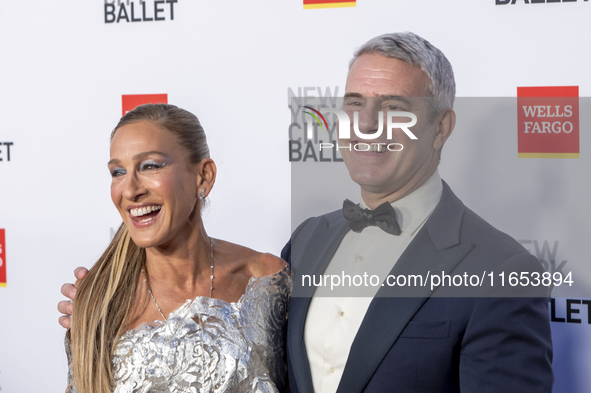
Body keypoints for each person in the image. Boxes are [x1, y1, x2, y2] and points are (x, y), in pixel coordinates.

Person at [281, 32, 553, 392]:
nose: (366, 124)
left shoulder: (503, 271)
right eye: (354, 103)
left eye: (393, 107)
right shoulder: (307, 239)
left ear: (440, 128)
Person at [61, 104, 290, 393]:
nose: (130, 190)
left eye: (150, 166)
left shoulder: (267, 281)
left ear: (203, 176)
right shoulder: (98, 300)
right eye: (118, 172)